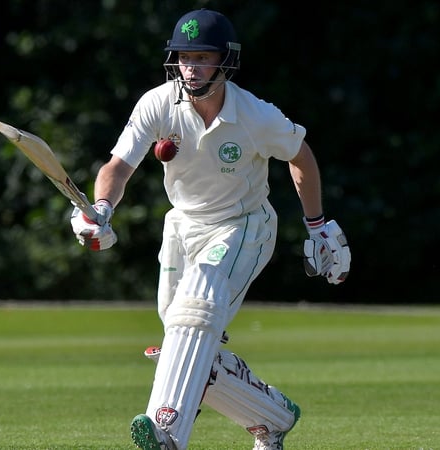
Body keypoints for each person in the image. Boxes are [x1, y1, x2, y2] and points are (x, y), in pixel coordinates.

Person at [70, 8, 351, 450]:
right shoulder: (157, 104)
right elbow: (118, 167)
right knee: (188, 343)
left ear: (225, 62)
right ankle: (273, 417)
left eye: (202, 57)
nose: (191, 67)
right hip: (182, 226)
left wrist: (317, 226)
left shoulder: (256, 116)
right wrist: (100, 209)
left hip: (242, 227)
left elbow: (301, 157)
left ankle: (166, 433)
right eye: (184, 57)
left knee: (195, 314)